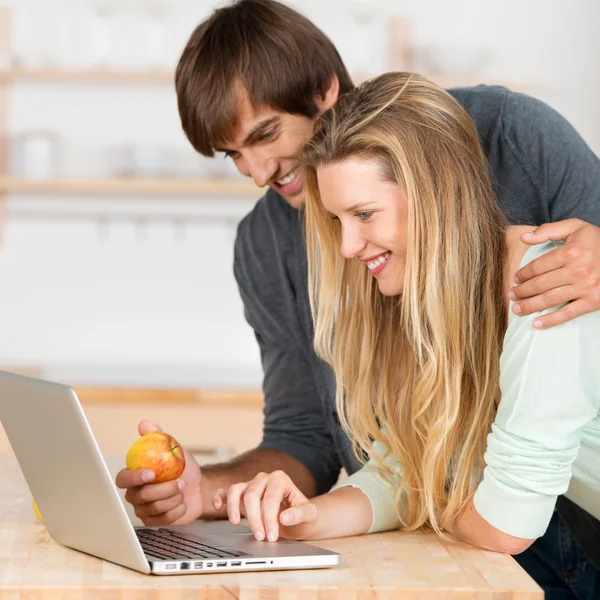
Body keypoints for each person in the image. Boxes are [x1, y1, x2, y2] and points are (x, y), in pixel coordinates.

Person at [114, 0, 600, 584]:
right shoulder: (310, 257)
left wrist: (437, 500)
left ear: (324, 91)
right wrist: (250, 502)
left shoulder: (519, 175)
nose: (257, 172)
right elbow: (355, 450)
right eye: (233, 156)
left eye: (264, 135)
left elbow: (501, 513)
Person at [213, 72, 600, 600]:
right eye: (337, 219)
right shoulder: (435, 304)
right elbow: (402, 470)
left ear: (433, 192)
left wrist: (430, 497)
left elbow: (505, 522)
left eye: (364, 214)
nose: (348, 246)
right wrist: (307, 516)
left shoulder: (543, 288)